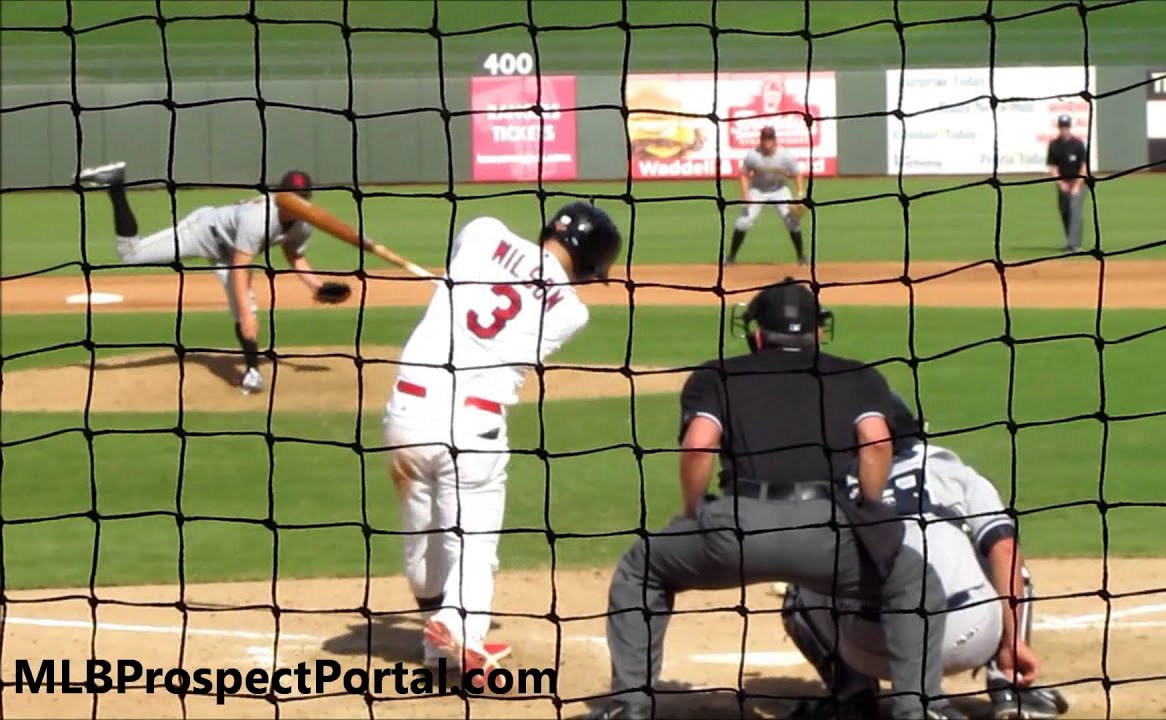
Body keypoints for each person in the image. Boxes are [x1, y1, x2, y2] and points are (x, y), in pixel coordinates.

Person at [587, 279, 954, 720]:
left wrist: (692, 512)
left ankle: (629, 706)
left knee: (641, 569)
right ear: (818, 332)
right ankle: (916, 711)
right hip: (827, 532)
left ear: (756, 334)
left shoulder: (715, 375)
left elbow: (699, 446)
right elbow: (877, 444)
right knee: (913, 581)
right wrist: (869, 509)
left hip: (735, 529)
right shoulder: (856, 374)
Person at [382, 203, 621, 680]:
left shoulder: (484, 231)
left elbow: (477, 273)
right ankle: (458, 625)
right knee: (471, 543)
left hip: (406, 416)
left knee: (422, 535)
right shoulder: (571, 313)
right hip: (472, 425)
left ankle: (437, 643)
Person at [780, 396, 1070, 720]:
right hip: (968, 637)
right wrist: (1011, 641)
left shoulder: (834, 484)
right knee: (1002, 555)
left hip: (871, 648)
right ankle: (1011, 685)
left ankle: (853, 696)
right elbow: (1004, 549)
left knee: (803, 579)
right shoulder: (950, 470)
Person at [78, 162, 343, 394]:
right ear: (279, 196)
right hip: (204, 232)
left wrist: (316, 286)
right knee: (131, 254)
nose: (296, 203)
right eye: (291, 197)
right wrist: (248, 316)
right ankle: (115, 185)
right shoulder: (259, 218)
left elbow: (294, 253)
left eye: (302, 198)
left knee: (245, 308)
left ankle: (252, 372)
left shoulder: (305, 222)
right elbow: (241, 268)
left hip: (232, 253)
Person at [728, 126, 808, 266]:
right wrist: (745, 193)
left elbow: (797, 174)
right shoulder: (753, 155)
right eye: (765, 139)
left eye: (770, 139)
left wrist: (800, 193)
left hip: (780, 190)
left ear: (775, 140)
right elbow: (743, 174)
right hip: (757, 190)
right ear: (760, 140)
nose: (767, 142)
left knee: (792, 222)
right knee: (744, 221)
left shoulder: (785, 156)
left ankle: (801, 257)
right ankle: (731, 258)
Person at [1045, 115, 1089, 253]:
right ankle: (1070, 241)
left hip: (1079, 182)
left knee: (1074, 210)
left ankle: (1074, 245)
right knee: (1064, 211)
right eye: (1062, 127)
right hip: (1063, 182)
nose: (1064, 129)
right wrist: (1060, 183)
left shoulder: (1078, 144)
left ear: (1070, 127)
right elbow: (1053, 167)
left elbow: (1084, 166)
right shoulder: (1054, 145)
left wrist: (1076, 185)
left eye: (1066, 127)